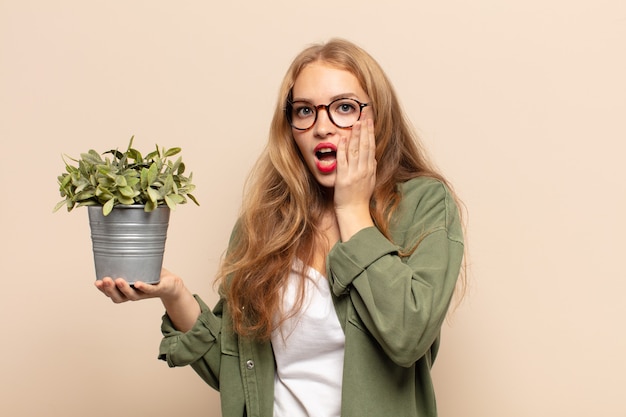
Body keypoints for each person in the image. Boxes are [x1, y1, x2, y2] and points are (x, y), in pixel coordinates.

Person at [95, 38, 466, 417]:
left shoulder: (423, 204)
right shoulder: (266, 224)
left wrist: (353, 209)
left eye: (344, 107)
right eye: (305, 111)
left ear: (379, 116)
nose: (322, 127)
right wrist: (174, 296)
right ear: (290, 127)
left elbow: (409, 335)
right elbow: (241, 376)